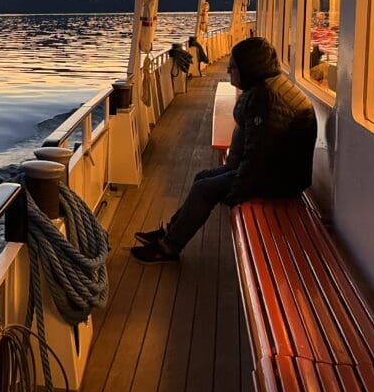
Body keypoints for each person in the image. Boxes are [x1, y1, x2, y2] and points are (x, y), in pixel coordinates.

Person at [130, 36, 316, 263]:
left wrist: (236, 192)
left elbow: (257, 158)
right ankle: (170, 231)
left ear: (250, 68)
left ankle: (168, 248)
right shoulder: (266, 89)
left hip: (278, 181)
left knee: (204, 189)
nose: (228, 70)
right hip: (276, 172)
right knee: (202, 177)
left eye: (233, 66)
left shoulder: (267, 100)